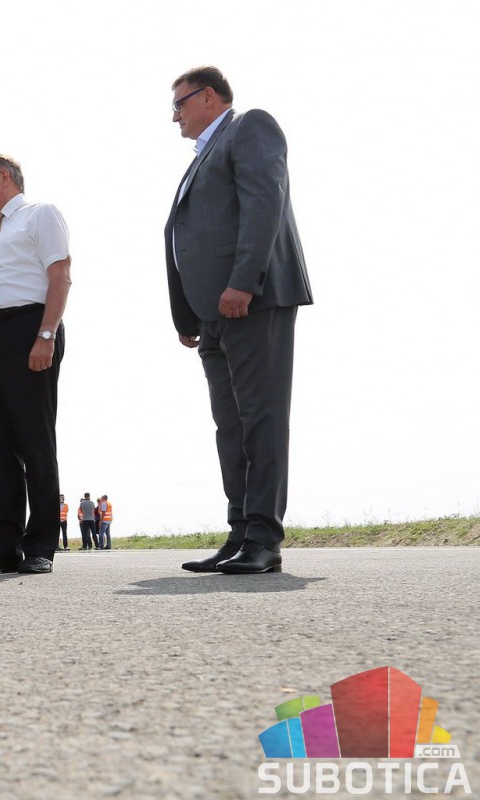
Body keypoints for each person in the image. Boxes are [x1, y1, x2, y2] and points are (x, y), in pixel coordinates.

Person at [165, 67, 313, 575]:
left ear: (208, 96)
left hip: (252, 300)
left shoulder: (250, 126)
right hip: (213, 313)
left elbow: (264, 203)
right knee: (230, 426)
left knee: (261, 419)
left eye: (179, 104)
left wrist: (245, 282)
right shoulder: (202, 156)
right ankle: (240, 533)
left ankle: (264, 539)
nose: (175, 116)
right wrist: (188, 312)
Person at [0, 155, 71, 575]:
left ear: (4, 177)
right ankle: (2, 546)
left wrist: (46, 335)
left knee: (34, 439)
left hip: (31, 328)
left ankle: (40, 545)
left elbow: (60, 276)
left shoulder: (41, 215)